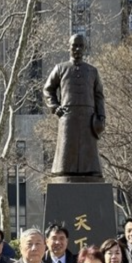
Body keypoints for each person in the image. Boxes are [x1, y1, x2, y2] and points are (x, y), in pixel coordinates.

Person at [43, 33, 106, 180]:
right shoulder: (60, 68)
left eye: (80, 46)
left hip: (88, 118)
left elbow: (99, 96)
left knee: (89, 152)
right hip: (68, 116)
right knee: (66, 150)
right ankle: (64, 170)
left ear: (85, 48)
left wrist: (101, 116)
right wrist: (55, 107)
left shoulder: (92, 71)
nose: (77, 49)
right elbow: (48, 89)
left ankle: (90, 171)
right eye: (74, 46)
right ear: (69, 47)